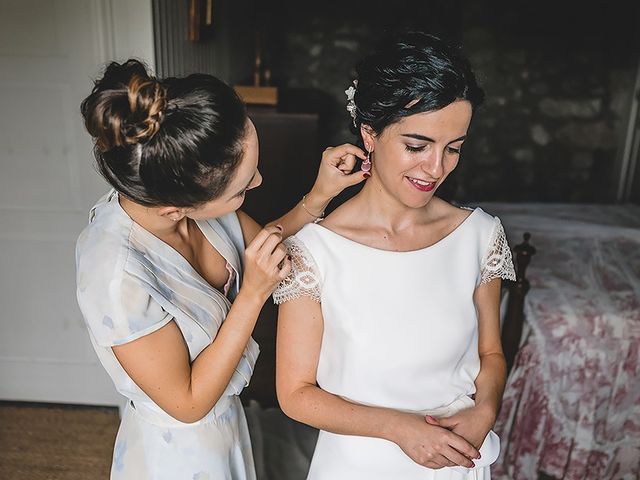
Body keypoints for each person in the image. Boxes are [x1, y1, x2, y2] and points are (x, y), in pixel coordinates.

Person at [75, 59, 368, 479]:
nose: (260, 182)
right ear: (179, 208)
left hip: (230, 423)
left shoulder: (182, 197)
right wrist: (252, 295)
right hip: (180, 453)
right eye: (242, 188)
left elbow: (263, 244)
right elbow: (190, 402)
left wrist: (318, 196)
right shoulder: (115, 276)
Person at [273, 32, 516, 479]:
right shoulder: (314, 251)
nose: (436, 168)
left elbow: (491, 354)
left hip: (457, 462)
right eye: (417, 146)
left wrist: (485, 412)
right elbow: (295, 393)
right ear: (370, 133)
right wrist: (399, 429)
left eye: (454, 148)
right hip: (358, 465)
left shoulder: (480, 235)